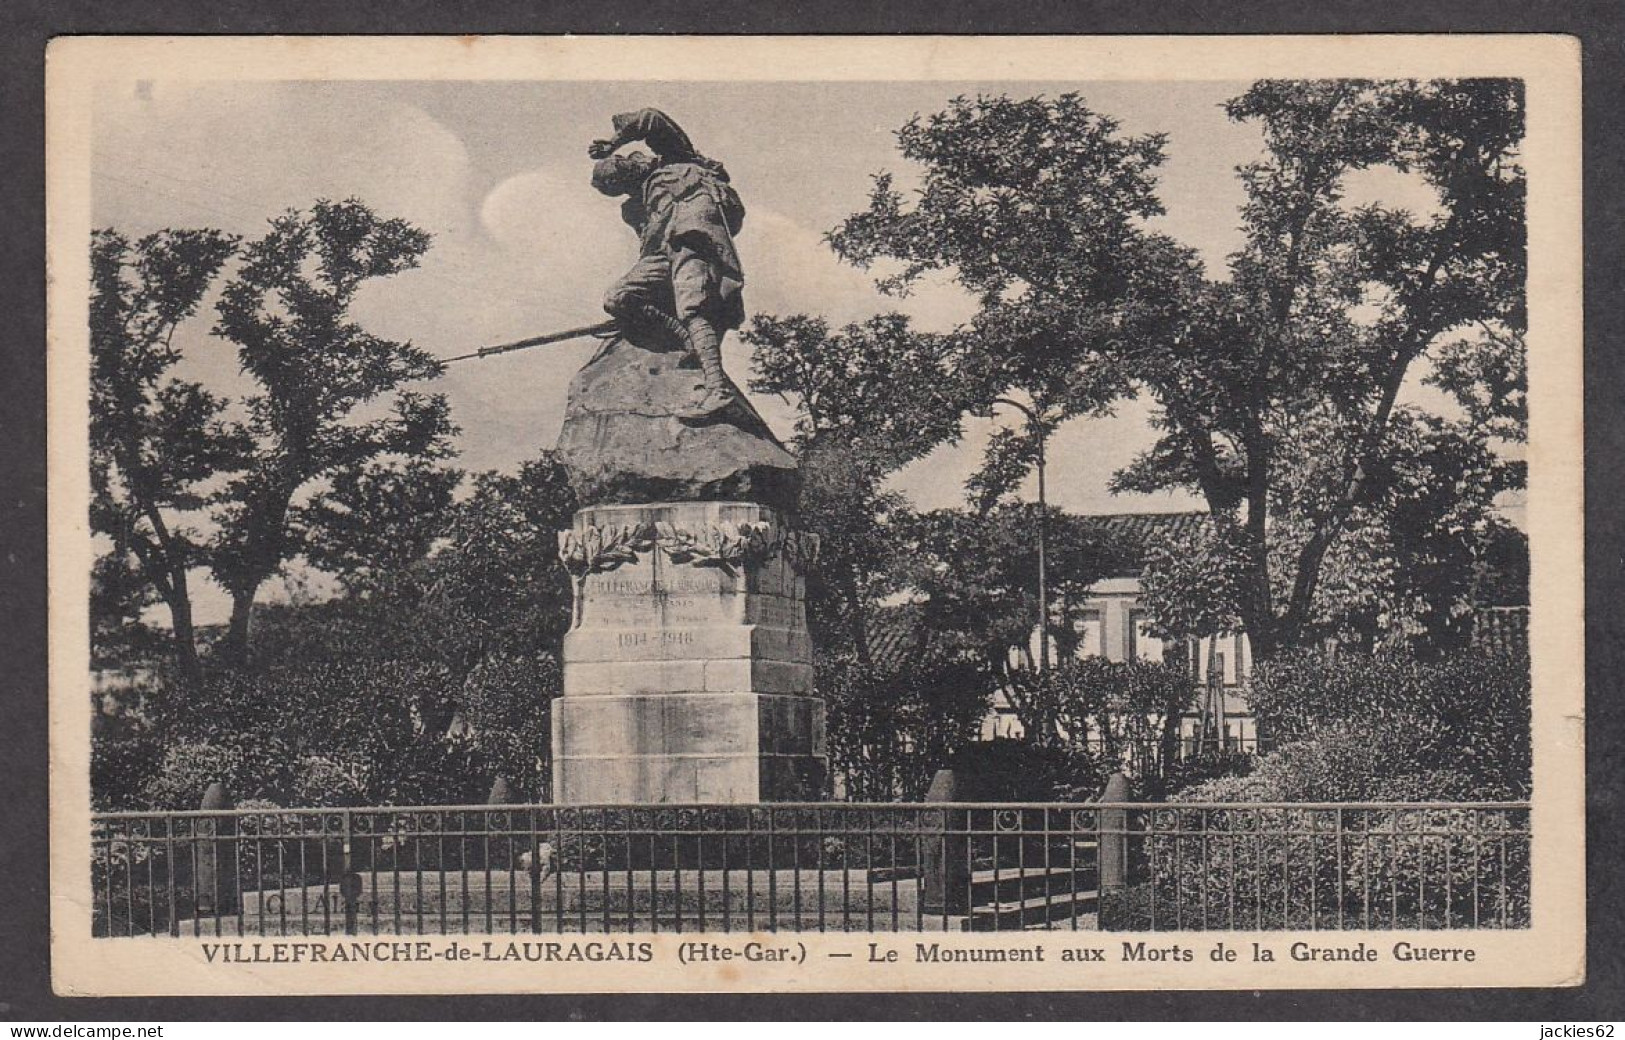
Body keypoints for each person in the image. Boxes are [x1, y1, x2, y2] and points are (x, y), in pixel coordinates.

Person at [589, 109, 746, 420]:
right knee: (617, 297)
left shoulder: (675, 158)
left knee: (692, 305)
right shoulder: (637, 207)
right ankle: (685, 338)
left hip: (694, 235)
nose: (628, 174)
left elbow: (650, 118)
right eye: (618, 181)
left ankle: (717, 389)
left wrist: (613, 142)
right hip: (664, 254)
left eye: (622, 168)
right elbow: (647, 252)